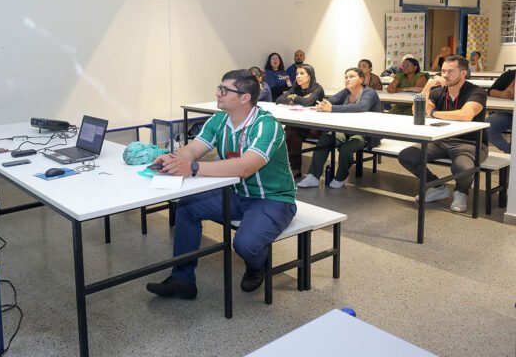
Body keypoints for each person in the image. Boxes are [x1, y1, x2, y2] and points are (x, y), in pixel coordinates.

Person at [146, 69, 297, 299]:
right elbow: (193, 150)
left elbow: (245, 167)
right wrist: (174, 159)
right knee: (187, 207)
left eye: (225, 90)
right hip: (236, 193)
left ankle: (257, 265)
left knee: (245, 245)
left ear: (245, 97)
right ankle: (182, 279)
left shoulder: (266, 125)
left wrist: (193, 168)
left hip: (273, 198)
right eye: (219, 88)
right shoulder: (219, 120)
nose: (218, 93)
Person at [398, 55, 488, 213]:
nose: (445, 75)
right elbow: (417, 111)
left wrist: (433, 114)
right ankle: (437, 186)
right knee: (407, 156)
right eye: (443, 71)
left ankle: (461, 192)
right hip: (440, 140)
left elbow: (465, 115)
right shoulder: (438, 92)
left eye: (450, 71)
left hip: (470, 143)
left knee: (462, 167)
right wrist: (428, 86)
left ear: (463, 73)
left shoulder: (476, 91)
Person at [297, 67, 382, 189]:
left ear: (361, 79)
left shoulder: (369, 92)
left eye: (352, 76)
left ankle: (341, 176)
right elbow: (330, 101)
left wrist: (332, 109)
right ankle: (313, 176)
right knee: (325, 139)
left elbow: (362, 106)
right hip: (344, 130)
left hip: (364, 133)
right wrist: (322, 105)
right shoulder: (346, 92)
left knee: (346, 148)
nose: (348, 79)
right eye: (346, 77)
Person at [275, 64, 325, 178]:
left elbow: (308, 102)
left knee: (290, 130)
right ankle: (292, 167)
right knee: (291, 130)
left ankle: (290, 167)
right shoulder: (296, 88)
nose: (298, 76)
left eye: (302, 73)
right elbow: (279, 100)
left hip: (315, 126)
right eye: (297, 74)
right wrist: (296, 98)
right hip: (300, 125)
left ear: (310, 76)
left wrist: (294, 97)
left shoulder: (318, 89)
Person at [486, 69, 515, 153]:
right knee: (487, 126)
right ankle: (511, 151)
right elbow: (491, 91)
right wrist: (503, 94)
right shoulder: (509, 74)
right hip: (507, 113)